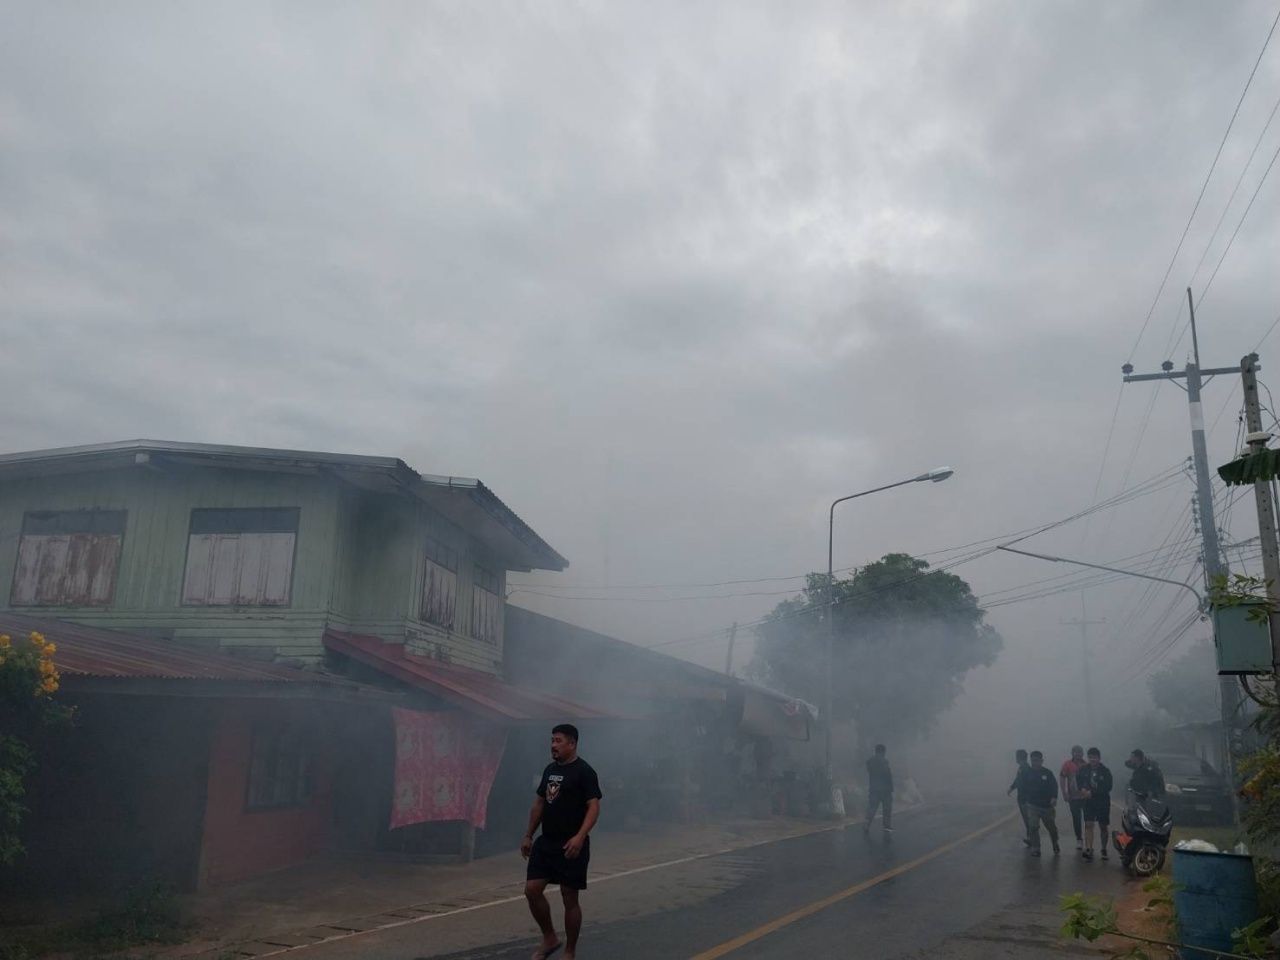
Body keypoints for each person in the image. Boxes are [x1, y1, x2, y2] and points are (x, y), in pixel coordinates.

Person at [521, 724, 602, 960]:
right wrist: (528, 834)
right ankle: (550, 938)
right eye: (552, 741)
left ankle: (569, 951)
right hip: (546, 842)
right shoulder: (549, 770)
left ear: (572, 743)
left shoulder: (585, 771)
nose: (553, 745)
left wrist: (579, 836)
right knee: (532, 890)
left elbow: (594, 807)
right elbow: (539, 803)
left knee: (569, 896)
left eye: (558, 741)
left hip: (571, 845)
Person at [1018, 750, 1060, 857]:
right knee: (1033, 826)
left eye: (1037, 760)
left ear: (1041, 761)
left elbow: (1054, 786)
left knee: (1052, 828)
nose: (1034, 763)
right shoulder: (1026, 773)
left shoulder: (1047, 773)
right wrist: (1023, 801)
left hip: (1046, 806)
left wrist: (1054, 797)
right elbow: (1021, 786)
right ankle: (1036, 848)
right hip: (1032, 805)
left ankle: (1055, 843)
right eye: (1032, 761)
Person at [1076, 747, 1113, 862]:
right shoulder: (1083, 770)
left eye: (1095, 758)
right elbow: (1079, 781)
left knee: (1103, 826)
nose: (1092, 760)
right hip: (1088, 802)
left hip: (1102, 802)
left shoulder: (1105, 771)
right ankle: (1089, 849)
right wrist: (1082, 789)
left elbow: (1108, 787)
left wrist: (1092, 792)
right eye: (1090, 757)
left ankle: (1103, 848)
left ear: (1099, 758)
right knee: (1088, 824)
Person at [1060, 745, 1087, 851]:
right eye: (1076, 752)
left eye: (1080, 752)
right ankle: (1079, 839)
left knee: (1088, 819)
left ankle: (1088, 839)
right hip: (1073, 797)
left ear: (1082, 754)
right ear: (1072, 753)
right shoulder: (1067, 764)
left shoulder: (1086, 765)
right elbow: (1062, 778)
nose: (1078, 754)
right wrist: (1064, 793)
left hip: (1085, 796)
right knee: (1076, 818)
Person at [863, 743, 893, 834]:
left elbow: (870, 771)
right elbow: (887, 775)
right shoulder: (884, 761)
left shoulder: (870, 761)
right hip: (885, 790)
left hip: (874, 789)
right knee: (887, 809)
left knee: (872, 808)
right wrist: (891, 788)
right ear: (883, 752)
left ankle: (867, 824)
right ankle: (887, 827)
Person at [1007, 748, 1032, 845]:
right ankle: (1031, 837)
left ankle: (1032, 838)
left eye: (1016, 757)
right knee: (1028, 819)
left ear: (1019, 757)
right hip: (1024, 797)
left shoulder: (1024, 768)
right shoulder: (1024, 767)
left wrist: (1012, 788)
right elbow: (1018, 780)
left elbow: (1019, 781)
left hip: (1024, 798)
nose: (1015, 759)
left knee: (1028, 819)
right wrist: (1012, 788)